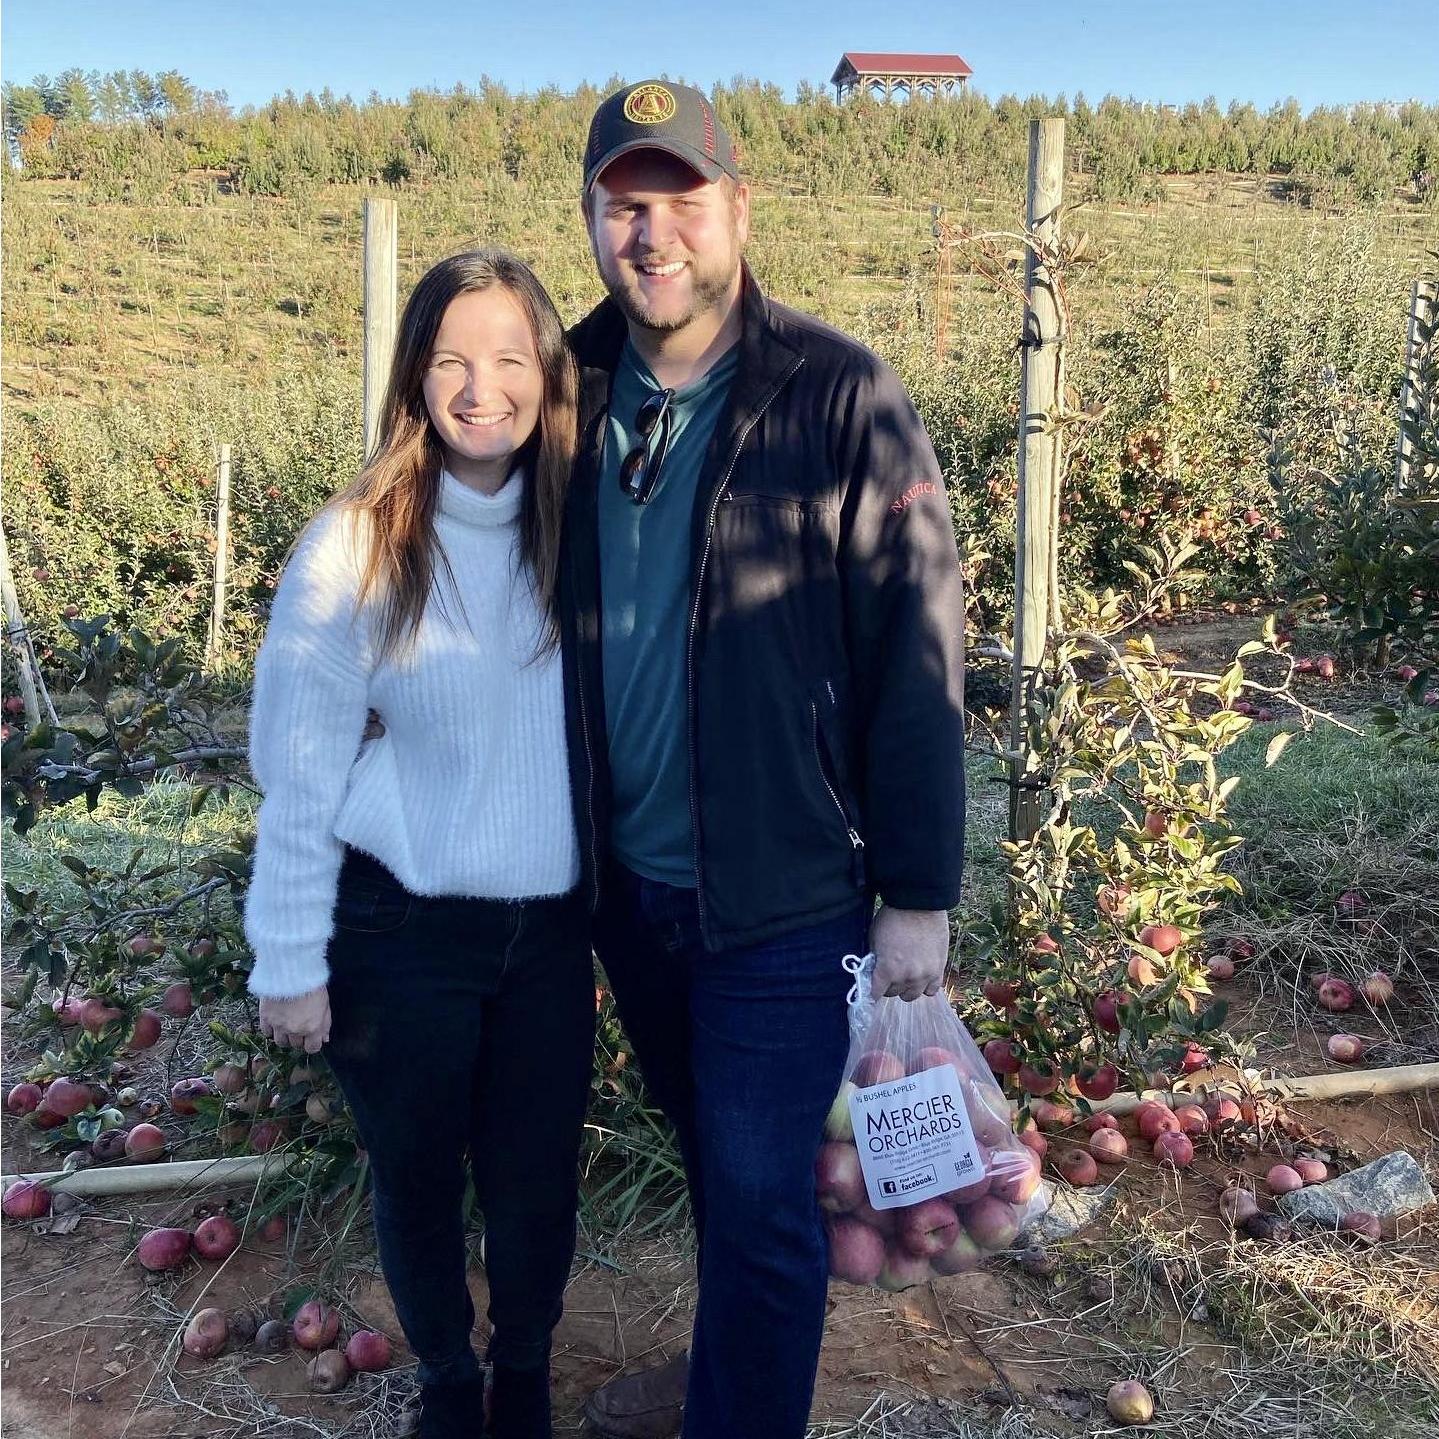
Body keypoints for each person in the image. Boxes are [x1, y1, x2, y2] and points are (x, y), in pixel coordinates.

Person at [562, 83, 967, 1439]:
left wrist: (915, 886)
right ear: (592, 220)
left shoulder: (836, 390)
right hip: (623, 885)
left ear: (738, 208)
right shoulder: (561, 388)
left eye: (682, 199)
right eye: (627, 203)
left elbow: (915, 641)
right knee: (723, 1175)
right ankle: (724, 1383)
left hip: (785, 897)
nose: (653, 231)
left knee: (761, 1201)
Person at [244, 250, 594, 1439]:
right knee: (416, 1175)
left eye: (508, 357)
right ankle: (449, 1377)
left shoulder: (583, 533)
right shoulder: (355, 545)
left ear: (550, 377)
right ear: (414, 376)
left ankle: (526, 1373)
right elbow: (298, 763)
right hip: (400, 925)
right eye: (451, 358)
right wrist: (287, 953)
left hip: (548, 931)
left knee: (536, 1181)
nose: (479, 384)